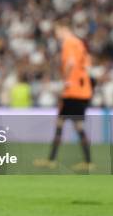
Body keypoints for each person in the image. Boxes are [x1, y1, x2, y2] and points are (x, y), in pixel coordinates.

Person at [34, 17, 94, 171]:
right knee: (67, 123)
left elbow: (71, 63)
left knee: (70, 125)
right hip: (82, 91)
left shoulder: (68, 43)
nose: (56, 35)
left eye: (56, 31)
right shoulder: (80, 43)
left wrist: (65, 80)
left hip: (72, 91)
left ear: (62, 29)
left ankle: (82, 161)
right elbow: (87, 64)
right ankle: (83, 161)